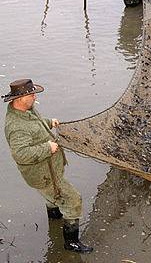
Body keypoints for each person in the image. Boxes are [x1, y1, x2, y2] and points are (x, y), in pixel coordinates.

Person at [2, 79, 93, 254]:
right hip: (44, 174)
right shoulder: (16, 127)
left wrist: (49, 122)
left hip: (48, 169)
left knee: (51, 197)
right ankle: (71, 243)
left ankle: (55, 216)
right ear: (19, 98)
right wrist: (47, 148)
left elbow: (35, 123)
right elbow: (21, 155)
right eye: (31, 94)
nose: (35, 97)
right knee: (74, 200)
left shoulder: (25, 110)